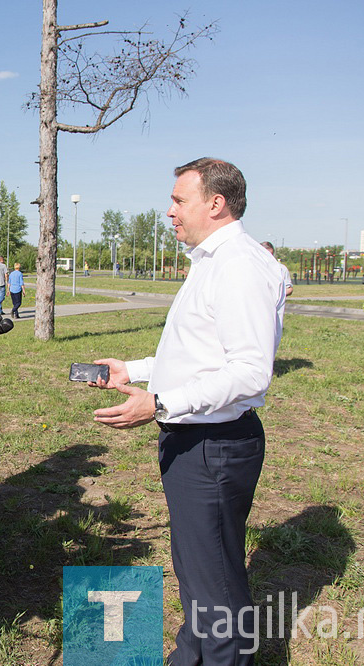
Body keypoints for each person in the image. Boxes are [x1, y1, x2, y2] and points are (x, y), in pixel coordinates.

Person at [90, 158, 285, 666]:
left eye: (179, 200)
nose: (169, 211)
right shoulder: (213, 262)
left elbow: (248, 372)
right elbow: (198, 354)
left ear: (215, 203)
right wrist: (132, 369)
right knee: (198, 568)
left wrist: (160, 402)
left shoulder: (239, 265)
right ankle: (189, 657)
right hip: (195, 441)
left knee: (216, 586)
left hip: (212, 446)